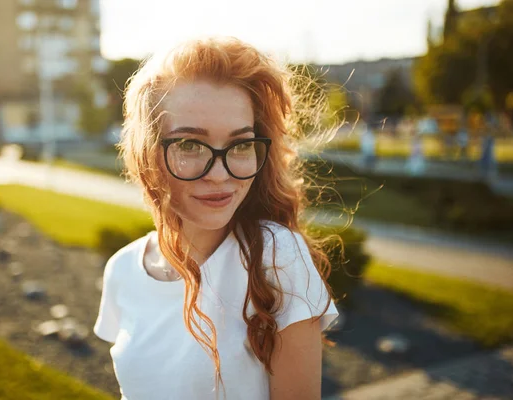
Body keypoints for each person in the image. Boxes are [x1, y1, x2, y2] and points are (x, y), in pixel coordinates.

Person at [93, 36, 339, 400]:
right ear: (147, 152)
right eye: (190, 144)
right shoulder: (122, 270)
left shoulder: (277, 256)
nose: (221, 175)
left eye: (240, 145)